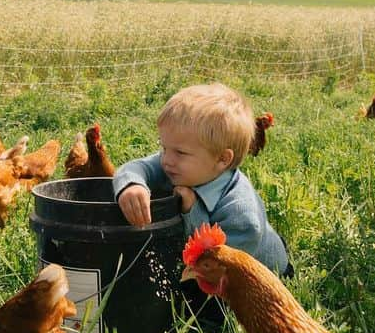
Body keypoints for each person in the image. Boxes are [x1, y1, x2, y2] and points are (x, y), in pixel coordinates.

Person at [113, 82, 290, 275]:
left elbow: (215, 264)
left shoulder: (242, 217)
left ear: (222, 159)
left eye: (180, 152)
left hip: (255, 272)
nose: (166, 160)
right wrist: (132, 185)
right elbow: (137, 167)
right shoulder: (178, 165)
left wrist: (192, 211)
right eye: (164, 148)